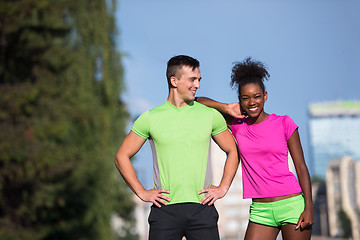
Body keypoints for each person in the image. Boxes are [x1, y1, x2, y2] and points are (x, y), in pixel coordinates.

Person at [114, 55, 239, 240]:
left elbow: (232, 151)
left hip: (202, 209)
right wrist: (142, 192)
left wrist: (223, 187)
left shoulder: (210, 116)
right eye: (192, 79)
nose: (197, 85)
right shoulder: (150, 118)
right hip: (164, 211)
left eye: (199, 80)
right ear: (174, 80)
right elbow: (121, 156)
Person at [196, 57, 314, 240]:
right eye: (246, 98)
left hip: (292, 205)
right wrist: (225, 107)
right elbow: (198, 103)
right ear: (240, 100)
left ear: (265, 96)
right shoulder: (237, 125)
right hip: (260, 210)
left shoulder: (284, 123)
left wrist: (309, 208)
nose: (252, 102)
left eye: (257, 96)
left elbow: (301, 168)